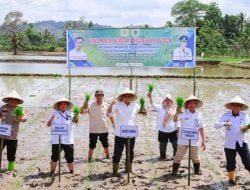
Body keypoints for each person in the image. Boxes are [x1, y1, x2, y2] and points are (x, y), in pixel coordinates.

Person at [214, 95, 250, 185]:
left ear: (241, 107)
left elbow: (247, 126)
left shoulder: (244, 116)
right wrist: (225, 123)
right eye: (234, 105)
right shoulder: (225, 115)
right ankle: (231, 179)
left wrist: (245, 128)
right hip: (229, 144)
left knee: (247, 161)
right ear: (231, 106)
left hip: (242, 143)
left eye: (238, 105)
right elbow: (216, 125)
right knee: (230, 163)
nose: (236, 107)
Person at [107, 88, 140, 176]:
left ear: (132, 97)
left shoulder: (136, 106)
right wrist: (111, 104)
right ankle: (115, 172)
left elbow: (143, 113)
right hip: (120, 134)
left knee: (130, 153)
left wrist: (145, 109)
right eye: (125, 95)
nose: (127, 97)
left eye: (129, 96)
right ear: (122, 97)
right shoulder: (117, 105)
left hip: (131, 134)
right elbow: (109, 114)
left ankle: (128, 170)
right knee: (117, 153)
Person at [172, 94, 205, 176]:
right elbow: (174, 119)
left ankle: (197, 171)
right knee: (178, 156)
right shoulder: (182, 113)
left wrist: (203, 140)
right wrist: (177, 111)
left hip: (194, 139)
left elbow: (201, 128)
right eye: (190, 103)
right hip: (183, 139)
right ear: (187, 105)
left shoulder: (199, 114)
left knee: (195, 157)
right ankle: (174, 171)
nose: (192, 105)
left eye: (194, 103)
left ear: (196, 105)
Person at [47, 97, 78, 175]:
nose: (63, 106)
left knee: (70, 158)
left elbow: (77, 121)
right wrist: (51, 119)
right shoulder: (54, 114)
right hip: (56, 140)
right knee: (54, 157)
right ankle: (52, 172)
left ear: (67, 105)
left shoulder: (71, 114)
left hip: (68, 140)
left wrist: (76, 116)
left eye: (65, 104)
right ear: (59, 106)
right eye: (61, 104)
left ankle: (72, 172)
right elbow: (48, 124)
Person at [81, 90, 114, 162]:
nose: (99, 97)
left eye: (100, 95)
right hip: (94, 130)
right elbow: (82, 112)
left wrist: (114, 124)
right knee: (92, 144)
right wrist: (85, 103)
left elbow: (110, 115)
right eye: (97, 95)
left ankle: (108, 156)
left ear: (103, 96)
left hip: (104, 129)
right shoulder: (90, 105)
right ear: (95, 96)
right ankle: (89, 158)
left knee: (105, 144)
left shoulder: (106, 105)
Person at [0, 90, 27, 171]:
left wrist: (23, 118)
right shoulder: (3, 107)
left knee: (11, 155)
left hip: (12, 136)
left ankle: (11, 169)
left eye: (15, 100)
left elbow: (24, 117)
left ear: (18, 101)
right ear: (8, 100)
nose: (12, 101)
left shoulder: (19, 109)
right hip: (1, 135)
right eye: (11, 99)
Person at [147, 92, 178, 160]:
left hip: (173, 130)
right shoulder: (160, 108)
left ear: (172, 102)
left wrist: (178, 130)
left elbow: (177, 121)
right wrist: (150, 98)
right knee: (162, 146)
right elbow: (152, 105)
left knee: (175, 145)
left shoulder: (175, 110)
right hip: (162, 130)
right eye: (166, 100)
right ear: (163, 102)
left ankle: (175, 156)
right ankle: (162, 156)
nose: (167, 102)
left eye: (169, 100)